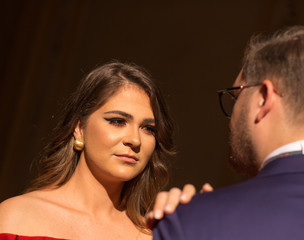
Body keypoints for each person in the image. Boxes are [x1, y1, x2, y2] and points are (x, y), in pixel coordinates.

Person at [153, 25, 304, 239]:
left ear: (263, 97)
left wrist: (204, 216)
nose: (232, 119)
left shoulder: (192, 222)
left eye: (236, 95)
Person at [0, 61, 186, 239]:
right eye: (117, 121)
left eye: (148, 129)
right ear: (79, 129)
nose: (135, 140)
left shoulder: (156, 234)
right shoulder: (14, 218)